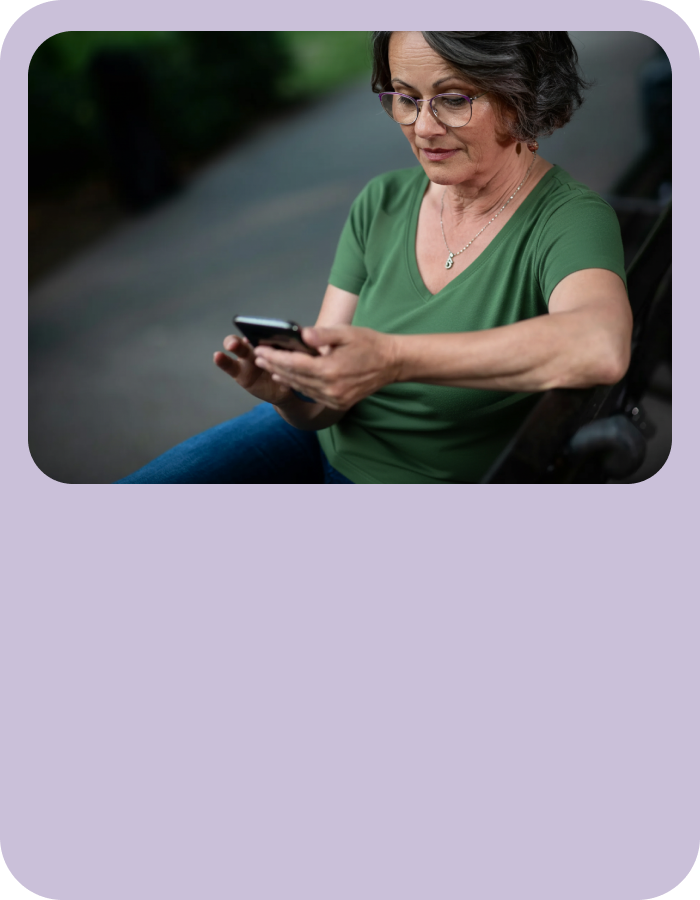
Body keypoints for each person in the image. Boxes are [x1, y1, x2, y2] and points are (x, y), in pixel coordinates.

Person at [116, 31, 632, 485]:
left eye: (452, 99)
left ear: (523, 95)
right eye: (405, 98)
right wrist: (291, 392)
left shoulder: (568, 218)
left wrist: (391, 359)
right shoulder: (381, 201)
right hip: (317, 439)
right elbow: (323, 404)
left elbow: (599, 344)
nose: (422, 127)